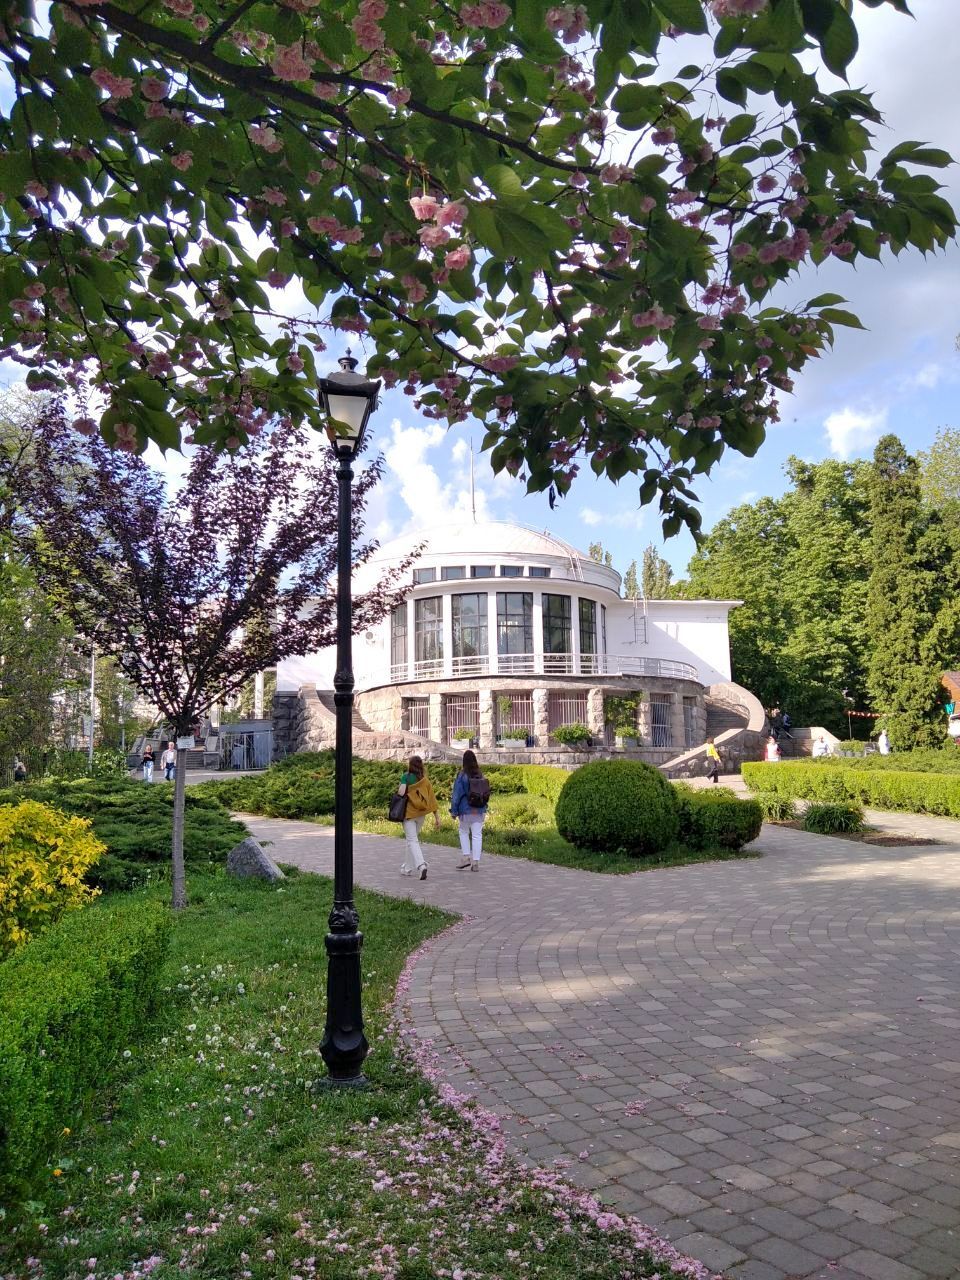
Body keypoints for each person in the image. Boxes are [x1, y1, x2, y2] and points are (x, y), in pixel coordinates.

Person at [397, 754, 440, 881]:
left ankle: (421, 865)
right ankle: (407, 868)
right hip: (421, 815)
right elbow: (432, 799)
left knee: (412, 841)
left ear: (410, 765)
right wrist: (437, 817)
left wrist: (404, 784)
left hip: (409, 815)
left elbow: (401, 793)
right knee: (411, 840)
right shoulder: (425, 781)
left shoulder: (406, 777)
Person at [450, 748, 490, 871]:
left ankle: (466, 857)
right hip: (479, 809)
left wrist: (454, 811)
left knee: (463, 832)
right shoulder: (480, 774)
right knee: (477, 835)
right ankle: (476, 862)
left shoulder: (462, 775)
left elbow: (457, 795)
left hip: (466, 810)